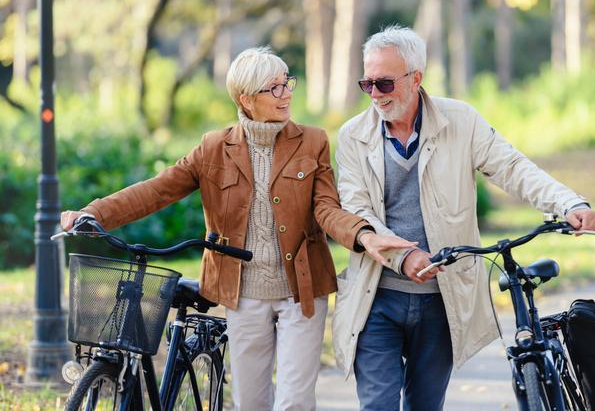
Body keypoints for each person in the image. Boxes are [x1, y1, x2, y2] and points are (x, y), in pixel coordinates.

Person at [60, 47, 414, 411]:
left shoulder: (312, 141)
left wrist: (363, 235)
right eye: (274, 88)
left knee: (293, 402)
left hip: (301, 292)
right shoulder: (214, 147)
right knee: (251, 403)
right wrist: (94, 213)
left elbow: (326, 209)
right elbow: (157, 189)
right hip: (243, 293)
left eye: (286, 82)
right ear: (247, 99)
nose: (287, 93)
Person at [332, 25, 595, 411]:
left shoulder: (461, 122)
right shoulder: (353, 136)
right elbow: (357, 209)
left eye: (385, 84)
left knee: (426, 406)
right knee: (377, 406)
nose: (375, 94)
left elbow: (513, 167)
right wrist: (402, 258)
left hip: (442, 298)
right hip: (376, 297)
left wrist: (569, 203)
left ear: (415, 78)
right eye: (367, 83)